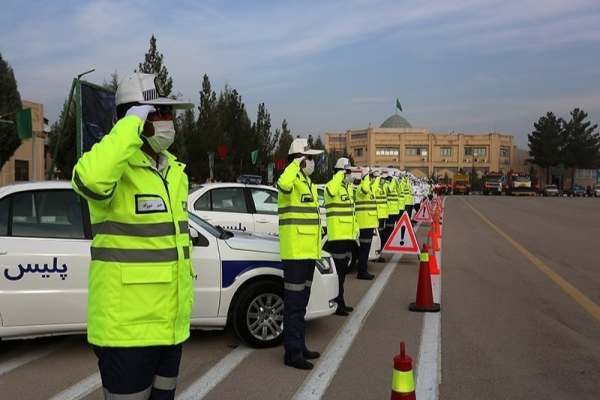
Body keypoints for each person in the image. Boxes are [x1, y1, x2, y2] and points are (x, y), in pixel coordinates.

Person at [72, 72, 194, 400]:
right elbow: (90, 181)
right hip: (126, 332)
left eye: (171, 114)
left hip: (169, 328)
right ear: (138, 118)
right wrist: (127, 127)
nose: (169, 121)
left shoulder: (174, 173)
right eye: (160, 113)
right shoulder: (114, 168)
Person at [277, 137, 323, 370]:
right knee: (294, 305)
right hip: (295, 253)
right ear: (300, 159)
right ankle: (292, 353)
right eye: (309, 157)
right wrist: (295, 164)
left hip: (308, 252)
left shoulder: (307, 182)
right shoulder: (291, 178)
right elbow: (282, 183)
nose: (312, 161)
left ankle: (299, 345)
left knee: (301, 304)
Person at [324, 157, 357, 316]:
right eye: (347, 171)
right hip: (337, 236)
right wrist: (340, 174)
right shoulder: (332, 186)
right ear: (340, 172)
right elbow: (331, 190)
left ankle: (341, 301)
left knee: (343, 273)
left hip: (347, 236)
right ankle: (337, 304)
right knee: (338, 273)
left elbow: (351, 212)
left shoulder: (347, 188)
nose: (349, 174)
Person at [354, 169, 378, 279]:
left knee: (366, 249)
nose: (372, 178)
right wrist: (366, 177)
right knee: (364, 250)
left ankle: (363, 270)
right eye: (370, 176)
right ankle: (362, 272)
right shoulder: (361, 189)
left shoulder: (370, 190)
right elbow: (365, 188)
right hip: (364, 224)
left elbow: (372, 187)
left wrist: (377, 177)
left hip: (369, 223)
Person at [372, 170, 388, 262]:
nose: (383, 180)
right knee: (377, 236)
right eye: (381, 178)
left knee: (381, 235)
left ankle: (379, 252)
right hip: (376, 215)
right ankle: (376, 253)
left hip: (382, 214)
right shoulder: (374, 187)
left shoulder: (383, 187)